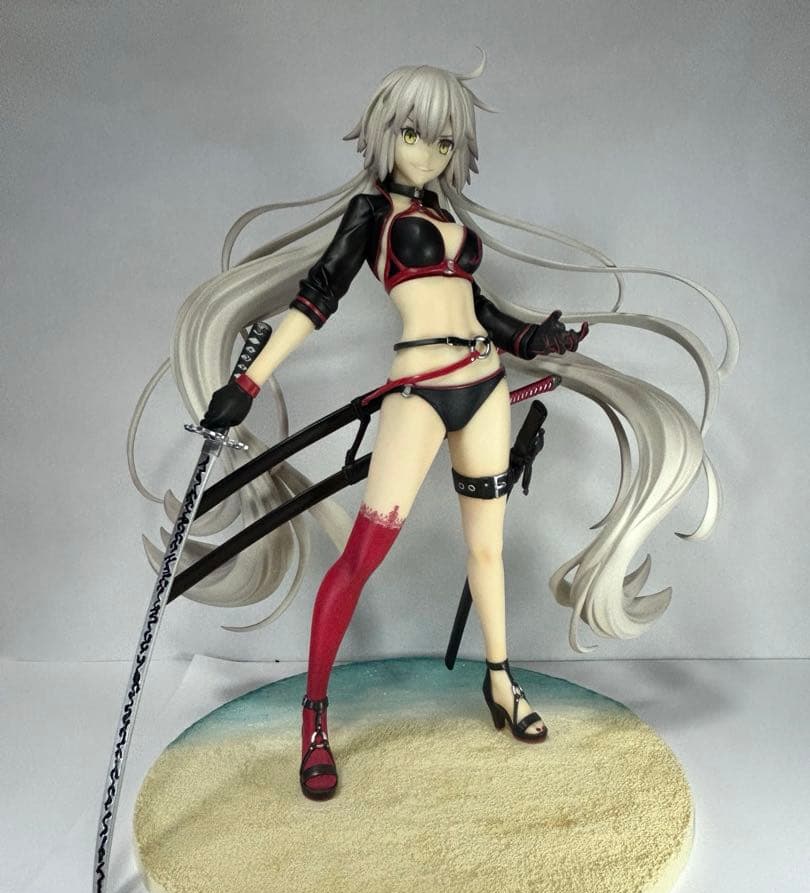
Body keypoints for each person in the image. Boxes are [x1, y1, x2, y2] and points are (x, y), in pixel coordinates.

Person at [129, 56, 737, 801]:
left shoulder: (447, 219)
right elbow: (316, 299)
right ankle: (314, 719)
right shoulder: (372, 216)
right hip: (417, 393)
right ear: (386, 132)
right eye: (415, 135)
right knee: (363, 554)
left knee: (487, 548)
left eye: (445, 142)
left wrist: (534, 339)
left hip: (483, 386)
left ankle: (500, 682)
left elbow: (476, 307)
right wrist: (246, 383)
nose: (429, 154)